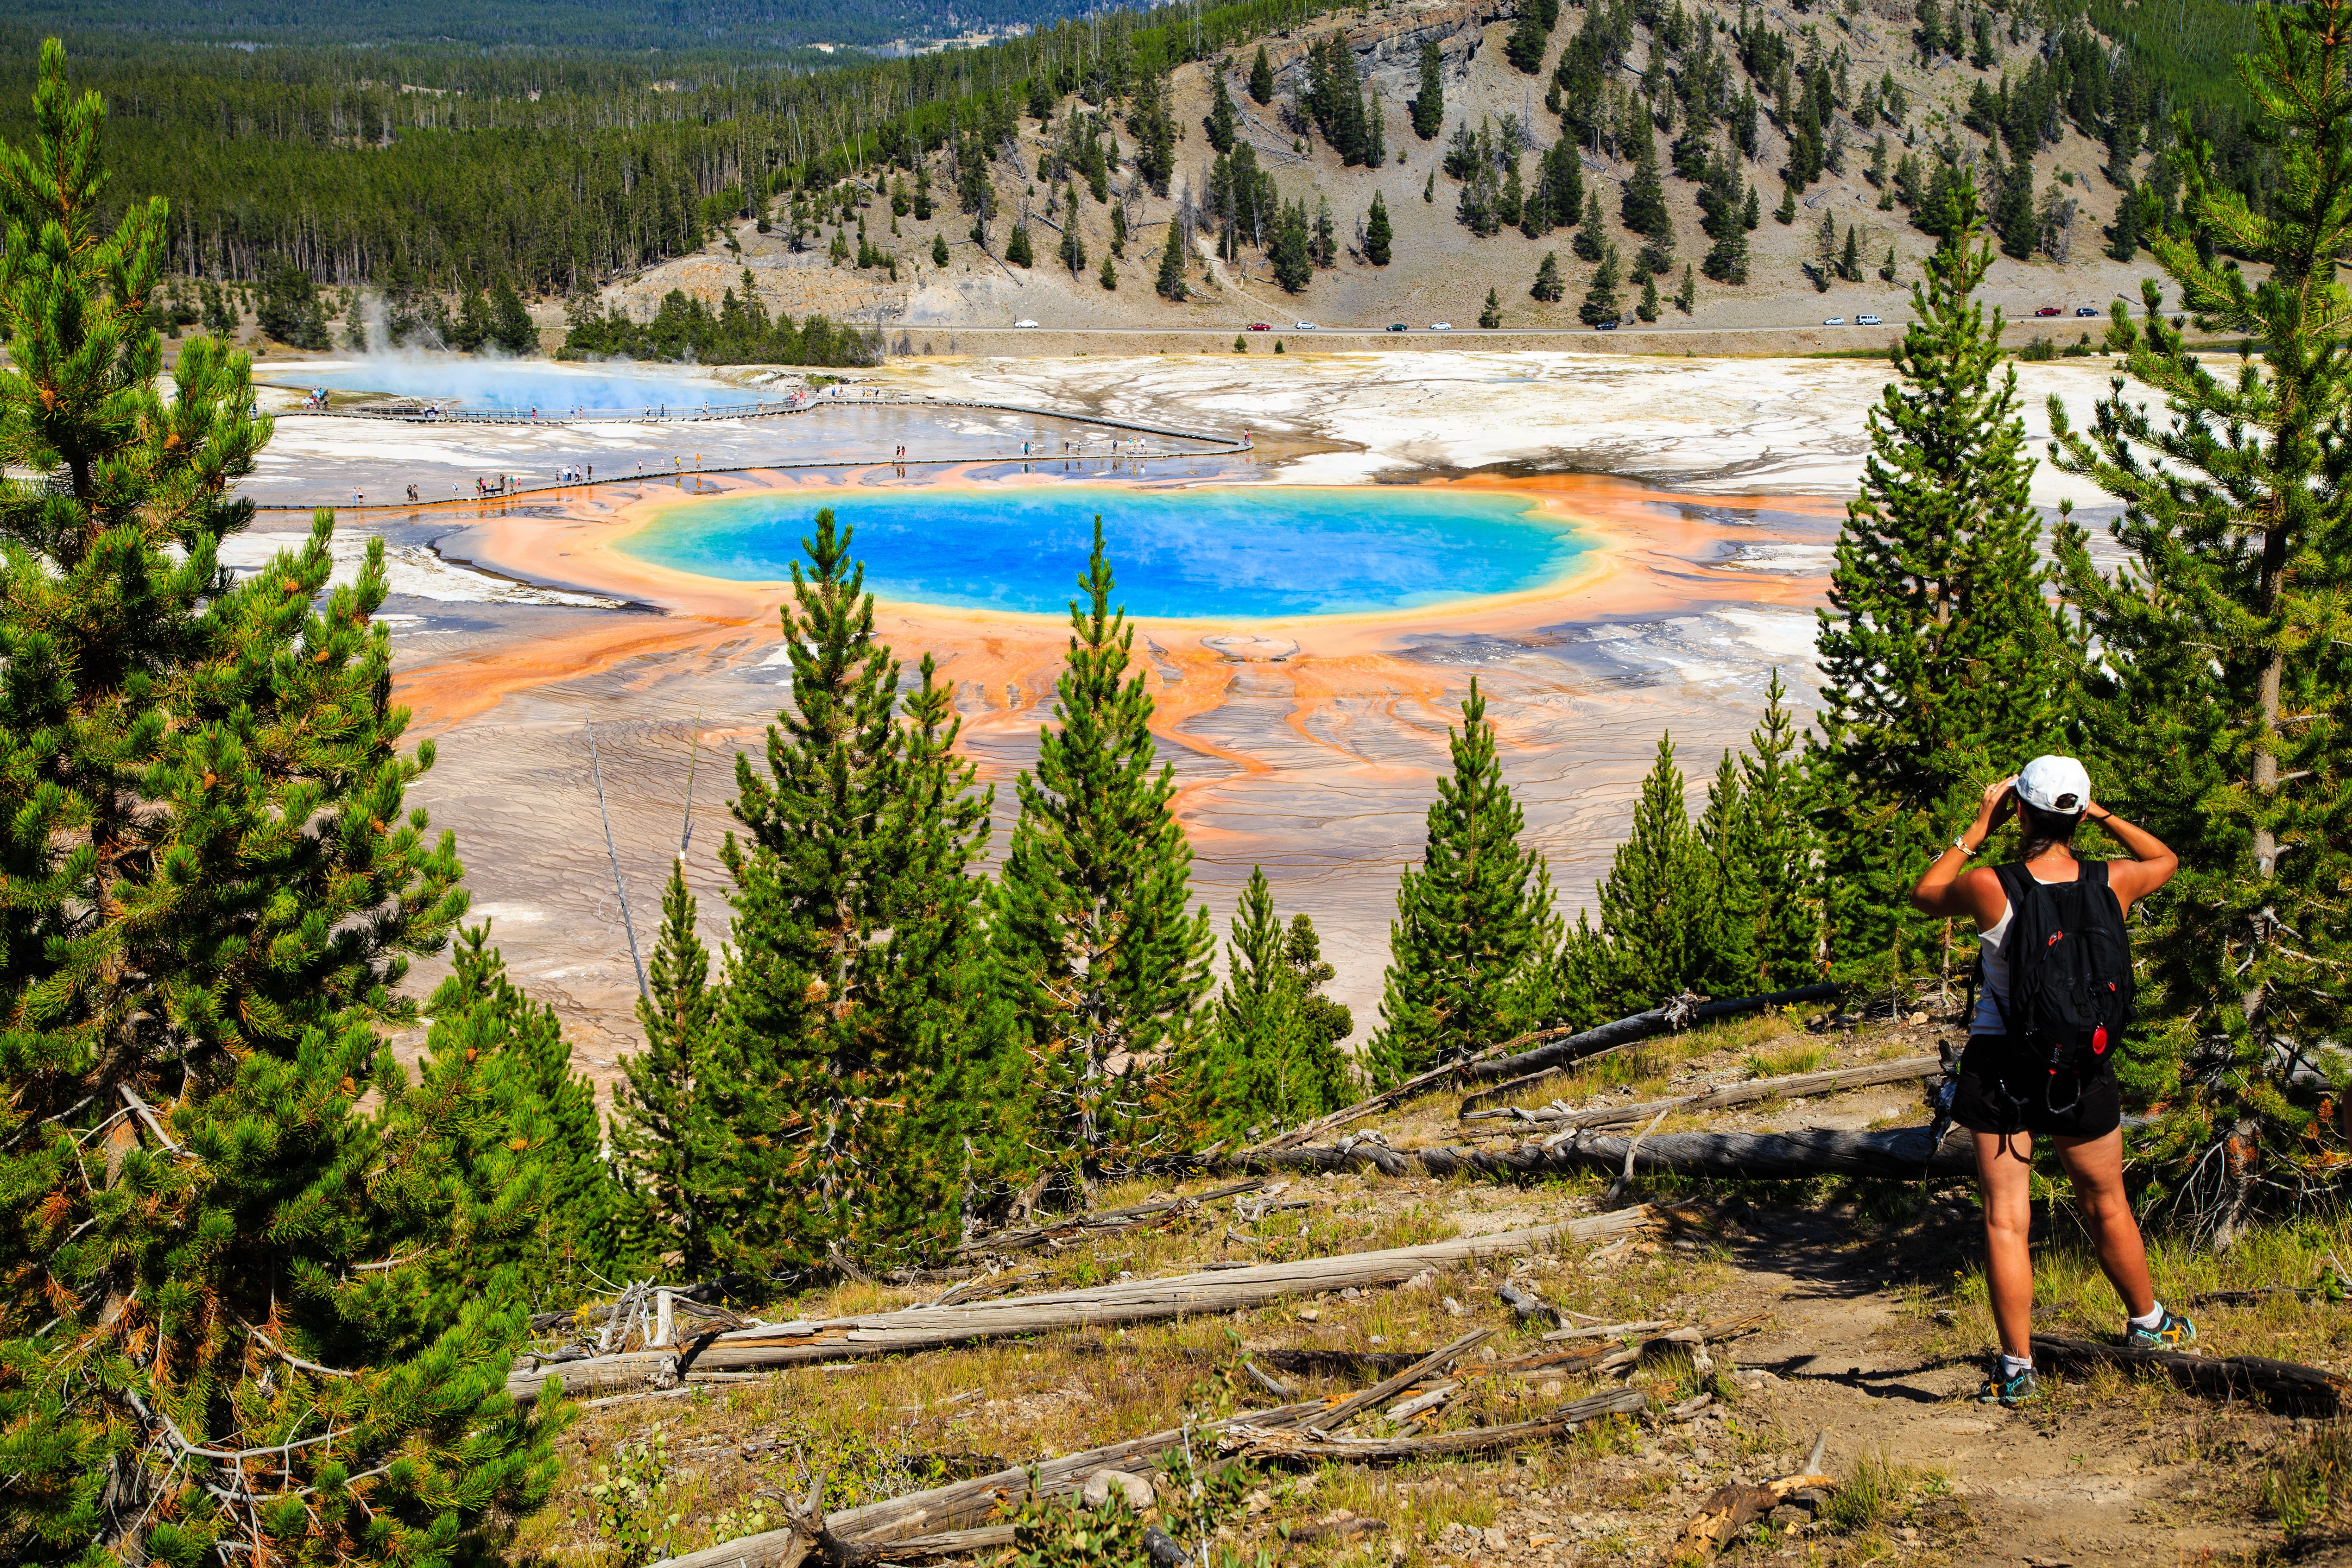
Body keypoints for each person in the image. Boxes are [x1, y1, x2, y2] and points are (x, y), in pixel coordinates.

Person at [1911, 756, 2191, 1407]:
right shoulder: (2113, 881)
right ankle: (2148, 1324)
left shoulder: (1991, 886)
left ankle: (2017, 1368)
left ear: (2021, 811)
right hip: (2082, 1066)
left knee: (2008, 1220)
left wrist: (1977, 829)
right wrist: (2103, 815)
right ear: (2075, 813)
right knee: (2107, 1202)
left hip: (2001, 1066)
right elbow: (2167, 859)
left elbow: (1925, 894)